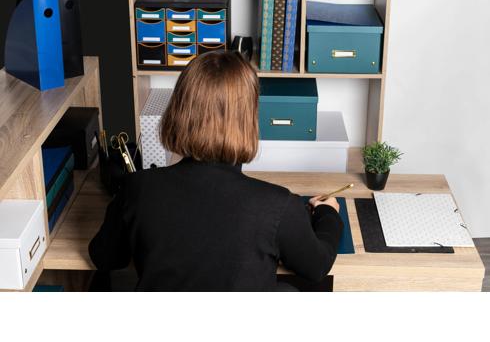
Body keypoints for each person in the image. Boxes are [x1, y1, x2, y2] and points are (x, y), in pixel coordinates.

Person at [89, 51, 343, 291]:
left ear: (179, 111)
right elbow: (317, 266)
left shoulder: (138, 187)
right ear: (248, 119)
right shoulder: (278, 205)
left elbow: (104, 257)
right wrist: (328, 214)